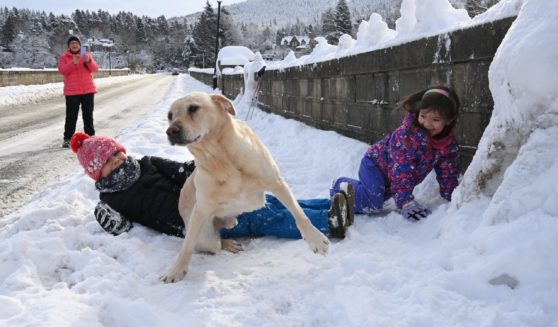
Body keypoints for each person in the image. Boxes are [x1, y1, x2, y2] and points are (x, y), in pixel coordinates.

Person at [70, 132, 355, 241]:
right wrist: (111, 223)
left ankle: (328, 205)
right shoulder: (112, 200)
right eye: (108, 160)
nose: (118, 159)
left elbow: (182, 170)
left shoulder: (146, 163)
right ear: (98, 172)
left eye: (117, 152)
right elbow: (122, 228)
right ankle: (328, 221)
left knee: (263, 203)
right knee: (261, 219)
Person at [330, 86, 460, 222]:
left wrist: (452, 196)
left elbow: (447, 172)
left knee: (377, 197)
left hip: (391, 178)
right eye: (423, 116)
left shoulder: (447, 146)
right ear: (418, 112)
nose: (427, 123)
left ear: (449, 120)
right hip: (375, 165)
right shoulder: (407, 137)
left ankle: (355, 190)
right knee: (373, 203)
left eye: (436, 120)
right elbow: (401, 170)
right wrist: (405, 202)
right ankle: (339, 186)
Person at [58, 36, 99, 148]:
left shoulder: (86, 54)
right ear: (69, 46)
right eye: (72, 43)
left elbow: (95, 69)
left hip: (88, 90)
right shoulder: (64, 57)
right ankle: (68, 139)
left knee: (88, 116)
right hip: (72, 92)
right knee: (71, 116)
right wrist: (74, 63)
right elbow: (62, 70)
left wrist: (88, 61)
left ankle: (90, 138)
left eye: (76, 43)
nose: (75, 45)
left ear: (80, 45)